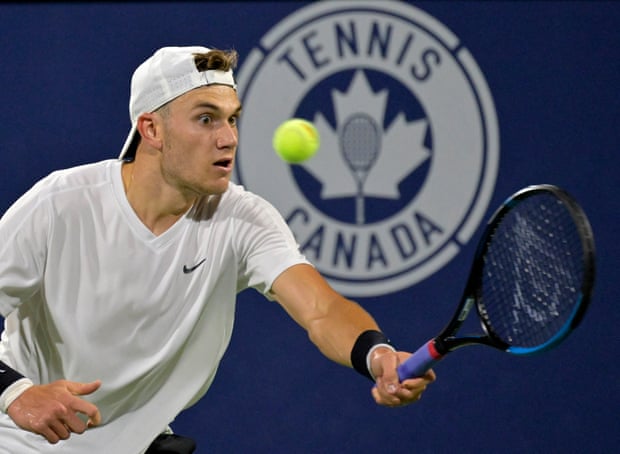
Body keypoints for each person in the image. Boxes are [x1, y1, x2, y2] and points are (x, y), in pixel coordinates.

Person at [0, 45, 436, 453]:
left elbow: (321, 309)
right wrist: (15, 392)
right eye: (206, 119)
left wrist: (377, 355)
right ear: (151, 128)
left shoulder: (243, 218)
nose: (228, 138)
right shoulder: (61, 203)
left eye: (232, 119)